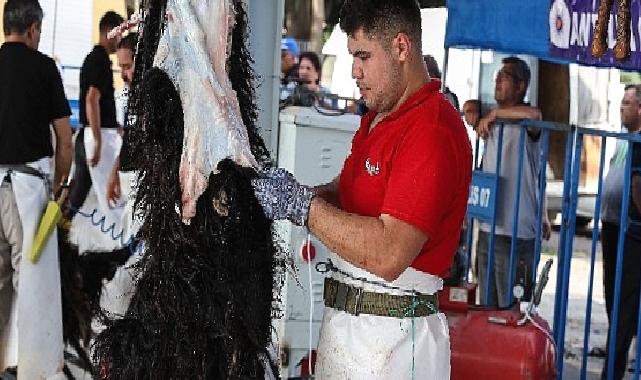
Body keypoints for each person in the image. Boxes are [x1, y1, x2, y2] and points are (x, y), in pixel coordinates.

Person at [253, 0, 472, 378]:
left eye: (363, 56)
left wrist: (303, 206)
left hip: (397, 341)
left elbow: (390, 253)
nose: (354, 71)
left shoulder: (431, 130)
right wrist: (291, 197)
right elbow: (349, 192)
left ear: (402, 48)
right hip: (350, 329)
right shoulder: (378, 118)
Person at [0, 0, 72, 375]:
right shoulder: (45, 69)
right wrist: (59, 186)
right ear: (32, 28)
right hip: (28, 191)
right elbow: (65, 139)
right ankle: (31, 371)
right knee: (34, 289)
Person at [475, 56, 552, 308]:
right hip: (489, 226)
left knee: (511, 309)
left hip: (516, 230)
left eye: (505, 76)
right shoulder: (490, 117)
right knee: (487, 308)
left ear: (520, 87)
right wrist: (483, 113)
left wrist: (495, 114)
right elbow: (468, 107)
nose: (498, 79)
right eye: (498, 74)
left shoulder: (527, 120)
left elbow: (535, 113)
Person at [599, 84, 641, 380]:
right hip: (612, 224)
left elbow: (637, 184)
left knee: (624, 302)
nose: (622, 107)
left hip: (630, 229)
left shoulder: (638, 140)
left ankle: (617, 363)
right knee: (613, 295)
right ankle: (616, 350)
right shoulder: (625, 138)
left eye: (628, 102)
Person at [68, 11, 123, 217]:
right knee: (109, 197)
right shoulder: (99, 60)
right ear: (109, 31)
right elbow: (92, 99)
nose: (120, 39)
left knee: (82, 192)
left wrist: (115, 125)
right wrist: (99, 140)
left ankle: (66, 231)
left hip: (90, 134)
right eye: (119, 33)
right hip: (95, 136)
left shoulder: (94, 59)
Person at [107, 32, 137, 208]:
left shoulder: (153, 100)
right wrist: (115, 171)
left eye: (127, 67)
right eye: (121, 68)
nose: (123, 75)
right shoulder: (132, 95)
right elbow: (130, 138)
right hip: (129, 186)